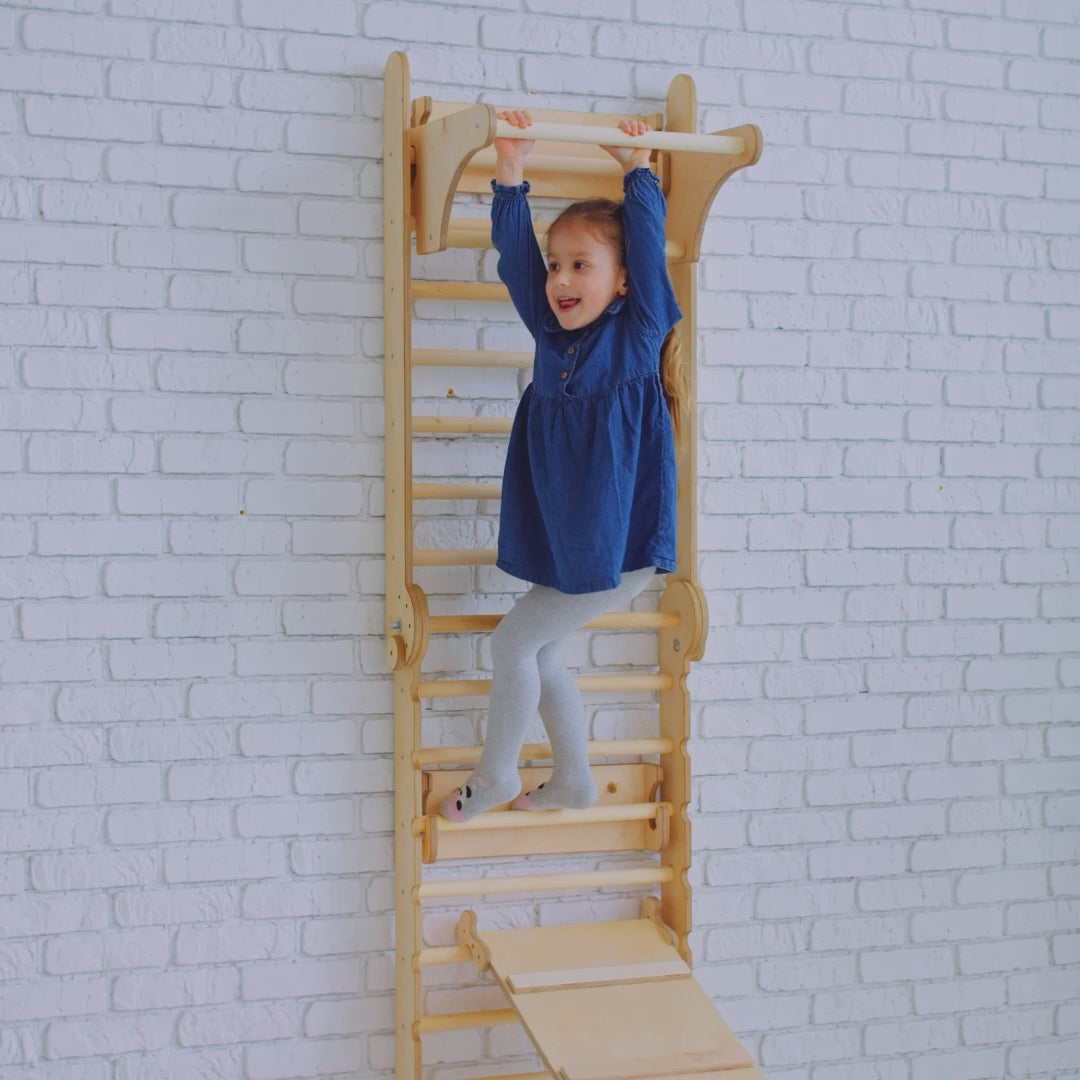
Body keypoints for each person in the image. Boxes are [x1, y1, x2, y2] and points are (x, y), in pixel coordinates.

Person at [440, 109, 683, 822]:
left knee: (515, 639)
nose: (561, 279)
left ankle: (495, 773)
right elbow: (517, 262)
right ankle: (574, 778)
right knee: (538, 654)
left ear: (624, 282)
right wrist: (508, 171)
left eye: (583, 264)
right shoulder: (551, 336)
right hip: (574, 539)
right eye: (558, 264)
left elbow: (644, 244)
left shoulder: (636, 337)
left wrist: (638, 171)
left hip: (625, 546)